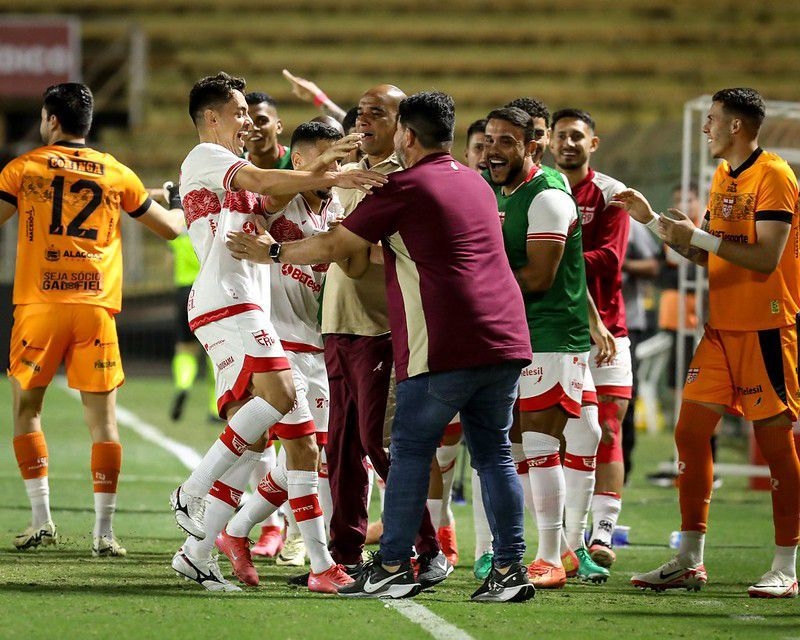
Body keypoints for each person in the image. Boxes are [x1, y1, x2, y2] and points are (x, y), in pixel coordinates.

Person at [227, 91, 535, 603]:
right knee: (495, 456)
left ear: (406, 136)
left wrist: (272, 251)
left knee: (407, 448)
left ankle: (394, 562)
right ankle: (508, 570)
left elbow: (336, 245)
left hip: (445, 342)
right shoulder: (476, 182)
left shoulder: (404, 184)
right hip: (505, 338)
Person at [168, 71, 385, 593]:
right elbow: (267, 184)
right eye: (240, 112)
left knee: (292, 443)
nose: (247, 122)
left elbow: (267, 198)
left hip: (251, 308)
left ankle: (204, 551)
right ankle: (193, 494)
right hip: (230, 301)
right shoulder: (206, 157)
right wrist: (326, 175)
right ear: (213, 117)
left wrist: (328, 168)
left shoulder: (245, 180)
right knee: (280, 414)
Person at [617, 88, 800, 598]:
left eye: (714, 120)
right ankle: (689, 560)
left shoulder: (776, 176)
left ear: (737, 126)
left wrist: (696, 236)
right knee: (690, 433)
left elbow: (763, 259)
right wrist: (656, 223)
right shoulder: (723, 177)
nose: (707, 128)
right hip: (721, 329)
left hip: (765, 329)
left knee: (775, 444)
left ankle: (786, 564)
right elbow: (711, 258)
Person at [0, 82, 185, 557]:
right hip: (94, 310)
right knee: (103, 424)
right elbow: (168, 229)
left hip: (39, 308)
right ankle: (104, 532)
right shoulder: (115, 173)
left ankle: (42, 519)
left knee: (27, 410)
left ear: (52, 120)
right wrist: (182, 201)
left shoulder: (24, 168)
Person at [319, 83, 446, 586]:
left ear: (402, 127)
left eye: (378, 112)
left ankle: (428, 549)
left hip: (380, 327)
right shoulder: (350, 176)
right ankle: (345, 556)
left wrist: (345, 249)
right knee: (342, 446)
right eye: (360, 112)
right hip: (337, 322)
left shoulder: (403, 181)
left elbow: (381, 253)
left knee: (381, 443)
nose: (363, 119)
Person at [214, 120, 346, 585]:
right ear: (302, 159)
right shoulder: (279, 197)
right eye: (330, 156)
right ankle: (321, 565)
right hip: (274, 345)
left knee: (310, 460)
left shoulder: (341, 209)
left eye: (343, 157)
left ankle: (232, 530)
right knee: (295, 451)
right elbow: (266, 196)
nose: (339, 166)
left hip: (317, 348)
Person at [484, 107, 609, 588]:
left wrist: (475, 288)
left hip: (553, 336)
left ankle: (552, 556)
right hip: (514, 334)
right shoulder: (501, 192)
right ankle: (548, 550)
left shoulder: (549, 197)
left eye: (507, 141)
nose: (495, 149)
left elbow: (539, 277)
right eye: (490, 139)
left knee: (541, 443)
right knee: (515, 444)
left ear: (531, 147)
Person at [551, 108, 631, 571]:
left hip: (609, 329)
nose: (569, 143)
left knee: (608, 429)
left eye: (577, 136)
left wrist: (555, 253)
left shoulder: (609, 193)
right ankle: (566, 535)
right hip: (560, 331)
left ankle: (602, 532)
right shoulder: (543, 186)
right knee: (560, 434)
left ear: (592, 144)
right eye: (562, 136)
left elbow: (610, 259)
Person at [620, 220, 660, 479]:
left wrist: (617, 262)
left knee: (622, 397)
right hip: (573, 320)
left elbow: (653, 265)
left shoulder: (629, 222)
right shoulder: (565, 207)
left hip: (626, 322)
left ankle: (623, 464)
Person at [244, 92, 292, 170]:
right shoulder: (232, 166)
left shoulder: (298, 161)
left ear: (278, 126)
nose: (253, 128)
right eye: (247, 123)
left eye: (262, 121)